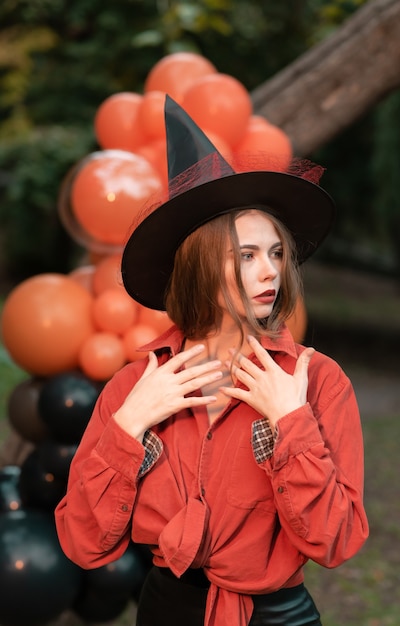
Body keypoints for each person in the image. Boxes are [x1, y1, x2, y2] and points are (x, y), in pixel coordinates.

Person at [55, 96, 369, 626]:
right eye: (247, 255)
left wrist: (291, 424)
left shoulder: (316, 380)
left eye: (276, 252)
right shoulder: (136, 385)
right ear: (200, 265)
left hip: (274, 615)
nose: (270, 271)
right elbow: (85, 544)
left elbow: (336, 541)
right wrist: (129, 426)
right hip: (165, 611)